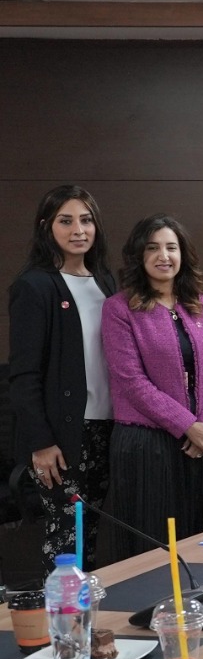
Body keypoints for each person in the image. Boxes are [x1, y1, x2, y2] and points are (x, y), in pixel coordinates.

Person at [98, 216, 203, 564]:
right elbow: (131, 380)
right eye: (153, 248)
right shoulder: (119, 308)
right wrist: (188, 425)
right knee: (153, 554)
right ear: (138, 255)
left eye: (172, 247)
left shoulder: (200, 304)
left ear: (183, 254)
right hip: (147, 446)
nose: (164, 256)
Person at [7, 185, 115, 579]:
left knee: (92, 534)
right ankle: (61, 617)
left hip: (108, 426)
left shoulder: (106, 282)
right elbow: (24, 374)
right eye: (65, 221)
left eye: (86, 220)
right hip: (62, 436)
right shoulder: (34, 286)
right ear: (46, 227)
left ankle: (86, 613)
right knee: (67, 538)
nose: (78, 230)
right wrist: (41, 442)